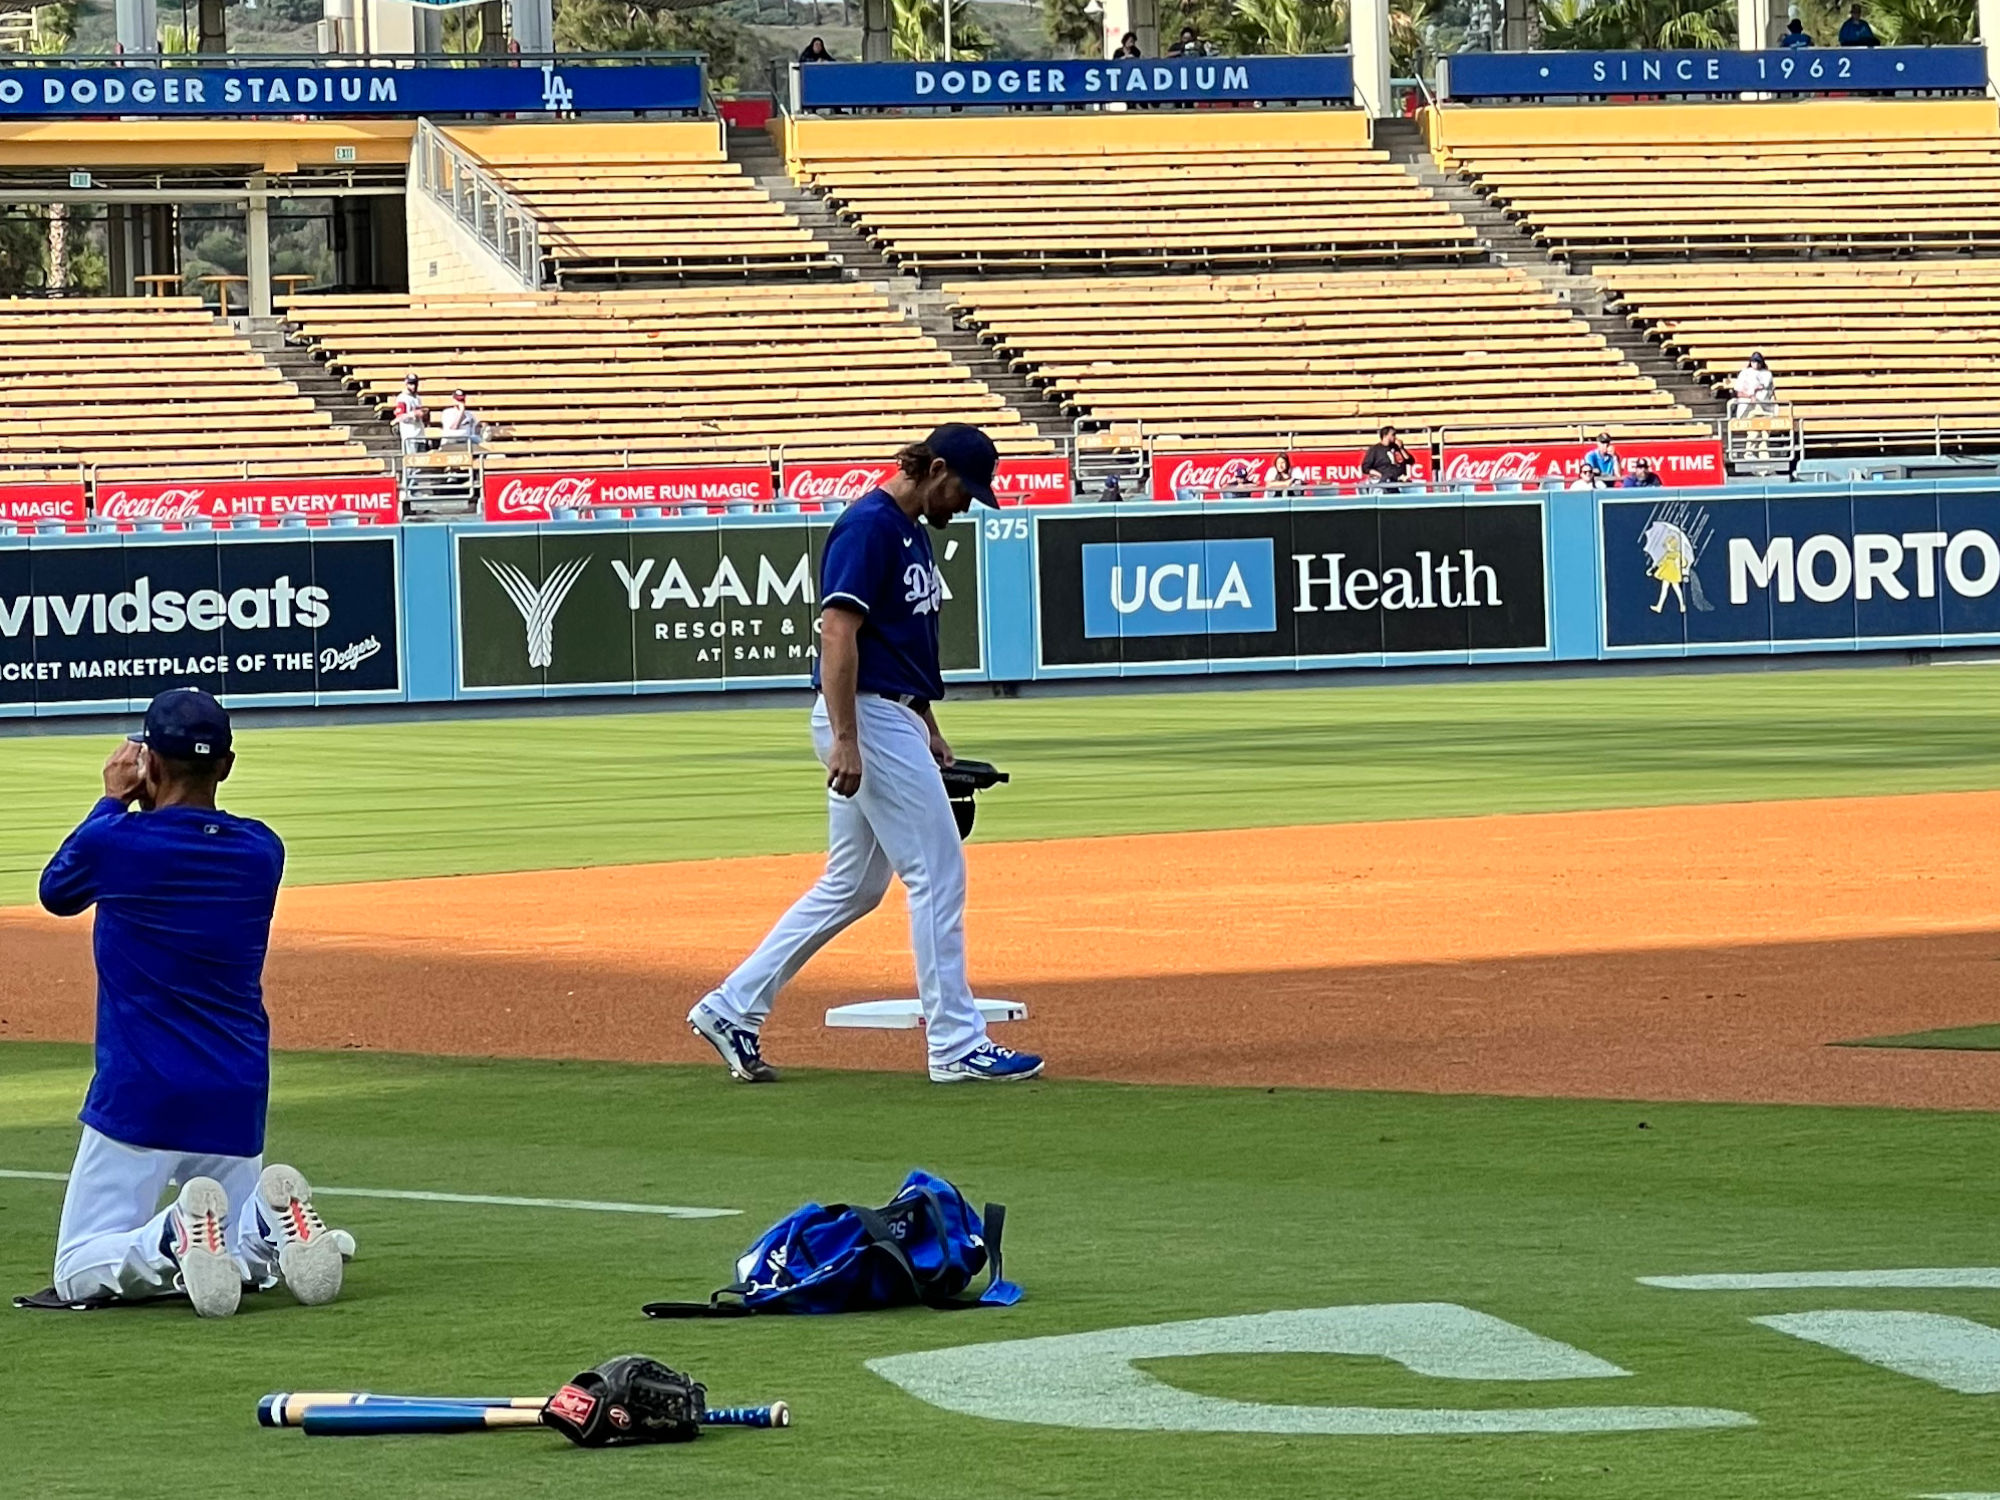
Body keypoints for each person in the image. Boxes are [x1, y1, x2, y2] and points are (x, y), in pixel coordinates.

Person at [688, 425, 1045, 1087]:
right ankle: (957, 1044)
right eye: (964, 490)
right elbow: (838, 632)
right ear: (935, 469)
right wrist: (849, 737)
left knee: (852, 885)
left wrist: (928, 723)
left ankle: (731, 1007)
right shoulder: (870, 527)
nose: (966, 505)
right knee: (938, 872)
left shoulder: (908, 530)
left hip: (892, 712)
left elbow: (897, 643)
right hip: (868, 717)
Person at [34, 689, 350, 1319]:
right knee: (226, 1251)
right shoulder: (261, 851)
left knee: (79, 1269)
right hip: (235, 1093)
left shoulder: (118, 844)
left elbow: (56, 890)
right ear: (226, 767)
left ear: (148, 761)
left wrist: (112, 797)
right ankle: (265, 1227)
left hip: (142, 1095)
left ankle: (171, 1235)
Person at [1730, 352, 1777, 418]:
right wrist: (1749, 396)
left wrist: (1755, 396)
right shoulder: (1744, 373)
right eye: (1754, 362)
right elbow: (1738, 392)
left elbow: (1763, 388)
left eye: (1758, 362)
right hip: (1745, 403)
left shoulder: (1767, 374)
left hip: (1763, 404)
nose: (1756, 364)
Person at [392, 372, 428, 454]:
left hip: (420, 434)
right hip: (410, 435)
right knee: (411, 462)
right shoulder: (402, 398)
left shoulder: (417, 398)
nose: (413, 386)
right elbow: (399, 417)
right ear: (406, 383)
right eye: (411, 384)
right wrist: (413, 414)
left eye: (415, 383)